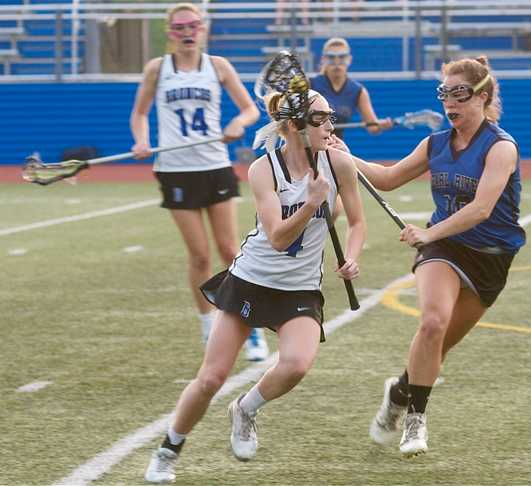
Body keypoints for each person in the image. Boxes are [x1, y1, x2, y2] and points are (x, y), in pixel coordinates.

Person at [144, 88, 366, 483]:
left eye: (330, 116)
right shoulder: (263, 169)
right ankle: (168, 449)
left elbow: (357, 219)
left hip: (299, 288)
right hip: (251, 279)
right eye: (320, 118)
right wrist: (313, 204)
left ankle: (245, 408)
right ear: (295, 126)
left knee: (297, 364)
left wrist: (352, 255)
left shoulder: (339, 162)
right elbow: (279, 237)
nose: (330, 125)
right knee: (211, 377)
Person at [337, 56, 525, 458]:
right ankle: (415, 420)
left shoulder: (502, 147)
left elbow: (481, 209)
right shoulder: (435, 143)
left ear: (483, 96)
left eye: (460, 95)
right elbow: (386, 178)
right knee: (433, 323)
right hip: (445, 249)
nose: (450, 104)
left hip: (491, 257)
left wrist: (427, 231)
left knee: (436, 349)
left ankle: (400, 391)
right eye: (445, 95)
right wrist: (336, 151)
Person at [129, 2, 268, 361]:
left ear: (203, 28)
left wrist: (239, 124)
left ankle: (249, 327)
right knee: (200, 255)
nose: (187, 32)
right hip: (175, 170)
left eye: (193, 25)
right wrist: (141, 140)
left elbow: (251, 109)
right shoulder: (157, 70)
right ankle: (208, 324)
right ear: (170, 32)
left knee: (229, 252)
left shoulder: (218, 66)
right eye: (179, 27)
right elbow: (140, 113)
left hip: (214, 165)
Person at [309, 37, 393, 140]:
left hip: (336, 146)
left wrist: (381, 125)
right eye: (331, 57)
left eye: (342, 57)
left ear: (349, 59)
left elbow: (373, 127)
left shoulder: (358, 91)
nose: (337, 62)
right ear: (323, 59)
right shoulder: (311, 85)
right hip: (309, 146)